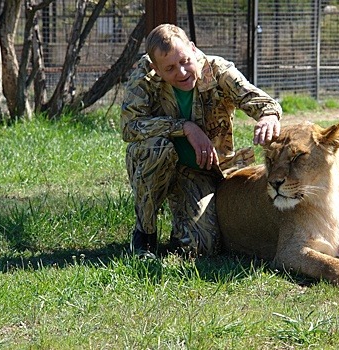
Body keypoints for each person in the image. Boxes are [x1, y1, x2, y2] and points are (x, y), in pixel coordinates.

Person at [120, 24, 282, 258]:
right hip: (158, 162)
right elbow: (130, 127)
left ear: (193, 49)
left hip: (201, 171)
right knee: (155, 147)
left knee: (202, 248)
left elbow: (260, 101)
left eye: (185, 61)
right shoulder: (144, 77)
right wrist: (184, 127)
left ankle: (182, 225)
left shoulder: (218, 71)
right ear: (156, 68)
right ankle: (145, 235)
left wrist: (268, 117)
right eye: (171, 68)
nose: (182, 72)